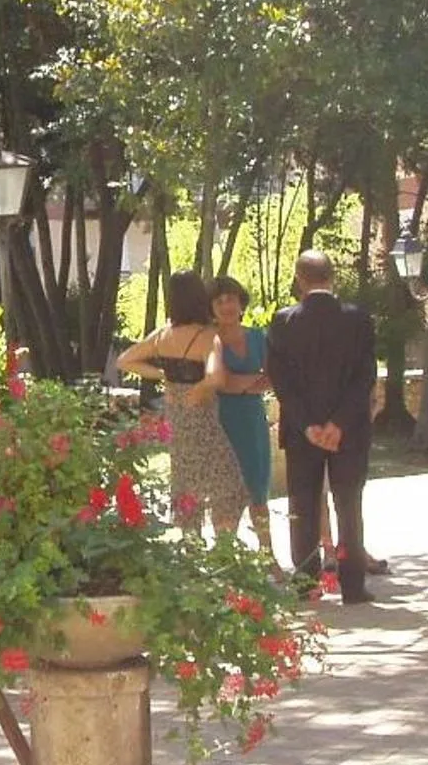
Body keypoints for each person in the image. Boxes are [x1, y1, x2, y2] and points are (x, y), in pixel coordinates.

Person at [266, 251, 380, 605]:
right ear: (333, 277)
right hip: (350, 432)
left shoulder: (283, 322)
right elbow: (365, 377)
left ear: (300, 280)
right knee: (348, 505)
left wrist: (308, 426)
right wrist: (339, 423)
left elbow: (281, 381)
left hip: (302, 434)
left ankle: (306, 584)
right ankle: (353, 585)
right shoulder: (358, 319)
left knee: (303, 506)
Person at [117, 271, 248, 538]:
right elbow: (216, 376)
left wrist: (161, 374)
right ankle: (224, 547)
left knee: (186, 486)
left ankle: (191, 546)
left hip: (176, 420)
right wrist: (200, 387)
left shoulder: (162, 335)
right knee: (228, 486)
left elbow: (125, 360)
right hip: (203, 422)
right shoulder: (208, 336)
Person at [203, 275, 278, 550]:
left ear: (241, 303)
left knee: (258, 491)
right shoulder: (209, 340)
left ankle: (267, 555)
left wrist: (239, 383)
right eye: (219, 301)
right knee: (225, 493)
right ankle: (226, 554)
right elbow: (222, 382)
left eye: (231, 299)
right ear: (211, 308)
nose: (227, 306)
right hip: (221, 421)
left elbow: (274, 377)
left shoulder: (258, 337)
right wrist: (252, 381)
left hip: (253, 421)